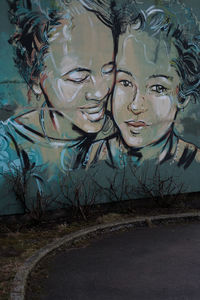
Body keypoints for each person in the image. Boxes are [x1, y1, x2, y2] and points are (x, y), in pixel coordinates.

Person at [0, 0, 116, 213]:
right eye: (79, 77)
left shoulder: (124, 130)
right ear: (36, 77)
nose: (101, 92)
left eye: (109, 70)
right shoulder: (9, 147)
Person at [90, 0, 200, 171]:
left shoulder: (195, 163)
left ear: (182, 95)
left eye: (158, 88)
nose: (135, 105)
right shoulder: (87, 160)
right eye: (125, 82)